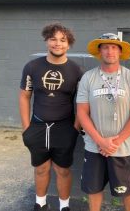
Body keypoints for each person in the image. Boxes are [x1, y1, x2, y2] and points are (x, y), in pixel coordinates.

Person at [76, 33, 130, 211]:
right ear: (99, 51)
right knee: (93, 189)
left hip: (123, 148)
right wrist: (101, 141)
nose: (110, 51)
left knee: (128, 191)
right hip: (94, 146)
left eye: (114, 47)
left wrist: (116, 141)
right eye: (105, 47)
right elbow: (82, 113)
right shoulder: (88, 78)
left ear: (120, 52)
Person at [19, 23, 83, 211]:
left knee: (62, 170)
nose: (58, 44)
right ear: (46, 40)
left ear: (69, 44)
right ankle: (40, 204)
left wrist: (75, 128)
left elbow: (82, 102)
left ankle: (64, 206)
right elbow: (24, 96)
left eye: (63, 40)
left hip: (64, 127)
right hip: (37, 126)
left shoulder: (76, 71)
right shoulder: (32, 67)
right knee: (41, 168)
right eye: (53, 39)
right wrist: (26, 127)